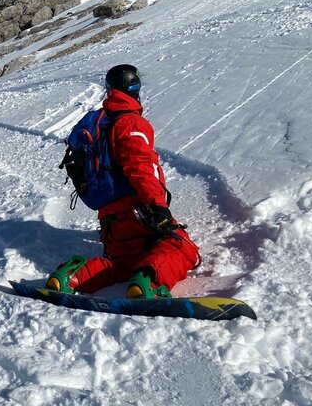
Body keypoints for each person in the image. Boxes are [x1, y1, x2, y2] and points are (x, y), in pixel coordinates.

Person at [47, 64, 201, 299]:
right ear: (136, 88)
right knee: (181, 245)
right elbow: (141, 166)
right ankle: (150, 282)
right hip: (139, 213)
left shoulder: (100, 125)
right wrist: (158, 208)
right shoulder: (131, 123)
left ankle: (71, 277)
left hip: (109, 223)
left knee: (123, 264)